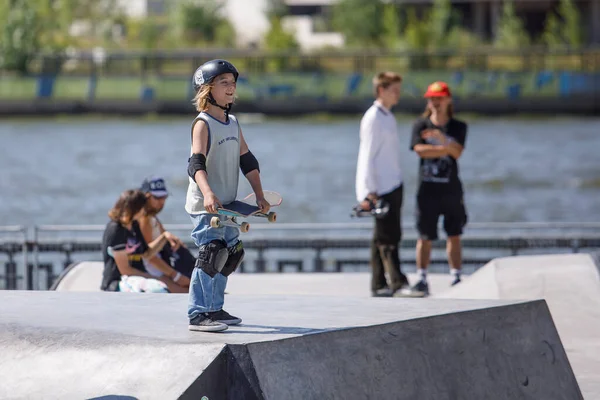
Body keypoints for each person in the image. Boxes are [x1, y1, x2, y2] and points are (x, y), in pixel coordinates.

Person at [185, 59, 270, 332]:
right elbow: (195, 164)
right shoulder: (203, 123)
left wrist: (259, 194)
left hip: (229, 207)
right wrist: (208, 193)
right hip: (206, 206)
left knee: (231, 254)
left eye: (233, 83)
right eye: (224, 83)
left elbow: (247, 160)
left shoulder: (232, 122)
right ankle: (198, 314)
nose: (231, 87)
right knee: (211, 253)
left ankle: (215, 308)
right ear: (208, 89)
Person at [408, 81, 468, 296]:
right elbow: (420, 150)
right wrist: (446, 148)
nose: (435, 102)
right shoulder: (420, 125)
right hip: (427, 190)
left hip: (451, 189)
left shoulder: (458, 126)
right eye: (432, 98)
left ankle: (456, 275)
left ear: (448, 100)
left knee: (454, 233)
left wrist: (441, 140)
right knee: (424, 235)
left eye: (439, 98)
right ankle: (422, 277)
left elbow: (458, 153)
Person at [355, 71, 410, 298]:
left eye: (399, 89)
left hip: (393, 183)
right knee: (388, 237)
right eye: (393, 90)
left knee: (382, 236)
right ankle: (397, 282)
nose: (397, 94)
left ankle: (379, 284)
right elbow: (366, 156)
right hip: (381, 188)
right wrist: (367, 193)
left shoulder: (388, 116)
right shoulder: (374, 117)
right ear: (381, 90)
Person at [101, 189, 183, 293]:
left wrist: (164, 237)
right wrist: (154, 278)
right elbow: (125, 270)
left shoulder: (134, 225)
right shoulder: (116, 229)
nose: (145, 211)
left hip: (139, 277)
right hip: (118, 281)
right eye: (142, 208)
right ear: (134, 209)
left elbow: (146, 254)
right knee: (159, 289)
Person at [138, 176, 194, 293]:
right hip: (153, 270)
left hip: (161, 267)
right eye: (157, 197)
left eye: (164, 197)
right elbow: (148, 255)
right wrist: (175, 275)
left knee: (192, 288)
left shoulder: (152, 216)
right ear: (146, 197)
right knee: (188, 291)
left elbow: (164, 236)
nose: (161, 201)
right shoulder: (144, 219)